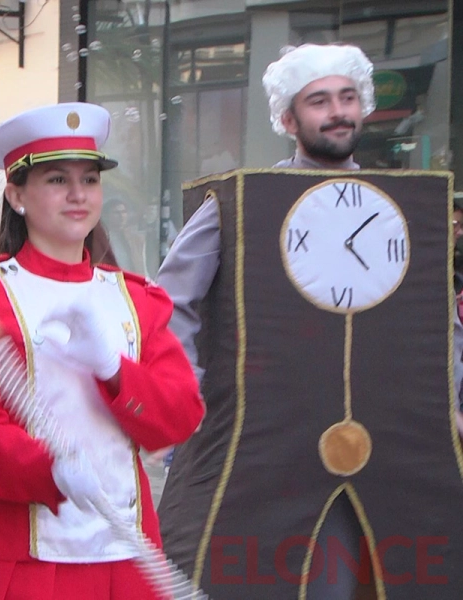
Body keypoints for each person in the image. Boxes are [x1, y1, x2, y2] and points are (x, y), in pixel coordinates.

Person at [155, 43, 456, 599]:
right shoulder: (239, 202)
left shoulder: (408, 206)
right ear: (289, 119)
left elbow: (437, 320)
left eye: (347, 97)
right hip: (260, 455)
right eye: (319, 101)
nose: (337, 111)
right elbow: (171, 303)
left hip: (386, 457)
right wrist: (186, 400)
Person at [0, 102, 205, 599]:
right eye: (57, 180)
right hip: (24, 559)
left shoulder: (138, 299)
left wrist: (113, 370)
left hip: (126, 553)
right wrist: (45, 467)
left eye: (90, 179)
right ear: (16, 194)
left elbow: (179, 417)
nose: (78, 194)